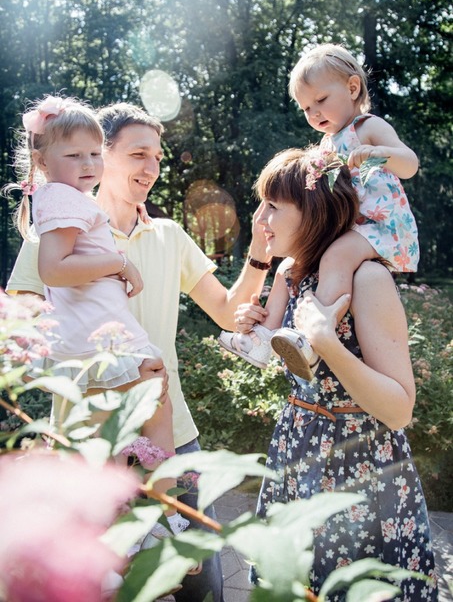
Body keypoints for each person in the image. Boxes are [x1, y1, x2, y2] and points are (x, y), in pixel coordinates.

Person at [6, 101, 272, 602]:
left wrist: (260, 253)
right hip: (90, 439)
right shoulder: (58, 230)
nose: (151, 168)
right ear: (99, 154)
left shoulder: (169, 235)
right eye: (137, 154)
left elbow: (226, 310)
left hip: (172, 433)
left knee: (203, 583)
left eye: (157, 157)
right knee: (101, 581)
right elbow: (21, 325)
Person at [242, 146, 437, 600]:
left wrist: (327, 343)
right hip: (296, 447)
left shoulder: (367, 279)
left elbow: (399, 410)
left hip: (360, 467)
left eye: (273, 206)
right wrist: (254, 330)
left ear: (313, 211)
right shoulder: (293, 274)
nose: (260, 218)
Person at [6, 94, 190, 540]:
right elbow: (53, 270)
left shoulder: (63, 200)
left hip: (94, 336)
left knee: (116, 435)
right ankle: (166, 515)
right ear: (42, 161)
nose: (88, 164)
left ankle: (132, 524)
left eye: (93, 153)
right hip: (102, 337)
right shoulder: (64, 201)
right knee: (155, 399)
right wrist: (120, 264)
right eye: (74, 156)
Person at [219, 43, 419, 381]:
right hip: (346, 228)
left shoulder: (366, 127)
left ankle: (311, 337)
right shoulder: (327, 144)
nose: (314, 113)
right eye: (306, 108)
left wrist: (378, 153)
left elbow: (409, 164)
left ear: (352, 88)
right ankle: (261, 340)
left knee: (337, 257)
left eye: (321, 100)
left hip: (381, 226)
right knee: (288, 267)